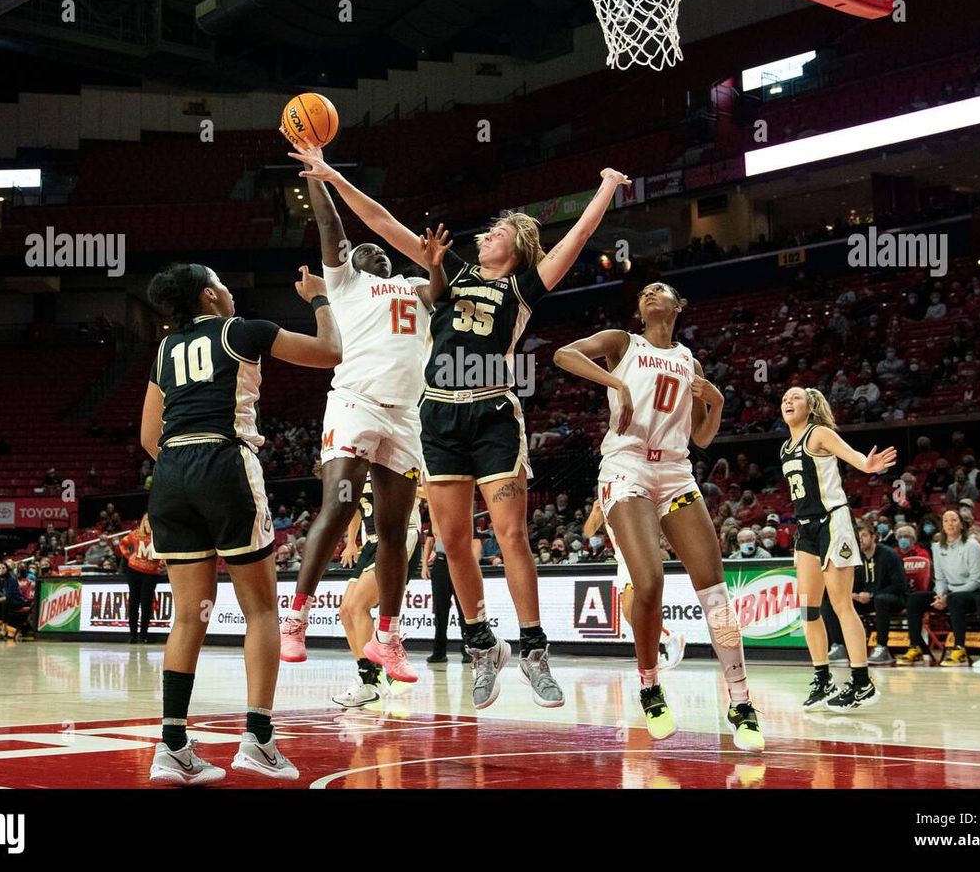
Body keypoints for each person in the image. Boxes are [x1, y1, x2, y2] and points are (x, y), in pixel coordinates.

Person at [293, 139, 629, 710]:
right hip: (438, 414)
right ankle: (481, 646)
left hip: (493, 410)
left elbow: (573, 242)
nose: (485, 236)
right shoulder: (446, 269)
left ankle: (533, 648)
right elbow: (381, 220)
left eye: (497, 234)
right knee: (452, 544)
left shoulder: (522, 286)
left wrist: (603, 188)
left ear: (518, 248)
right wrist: (329, 173)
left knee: (512, 535)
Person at [141, 261, 340, 785]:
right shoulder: (241, 329)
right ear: (210, 295)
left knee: (189, 616)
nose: (231, 290)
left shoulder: (164, 350)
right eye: (225, 283)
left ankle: (173, 745)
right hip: (223, 463)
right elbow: (330, 353)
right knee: (260, 611)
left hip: (171, 473)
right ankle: (257, 738)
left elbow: (148, 436)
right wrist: (320, 300)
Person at [555, 282, 763, 749]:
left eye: (660, 289)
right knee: (648, 583)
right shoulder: (621, 342)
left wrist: (719, 402)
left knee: (716, 593)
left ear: (678, 306)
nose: (650, 293)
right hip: (627, 466)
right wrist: (617, 383)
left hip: (675, 471)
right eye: (645, 291)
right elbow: (563, 355)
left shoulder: (691, 361)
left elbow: (702, 439)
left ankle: (741, 699)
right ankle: (649, 685)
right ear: (639, 309)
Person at [279, 141, 450, 691]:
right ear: (348, 265)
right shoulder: (347, 283)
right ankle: (298, 615)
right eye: (363, 250)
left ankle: (389, 635)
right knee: (339, 505)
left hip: (404, 416)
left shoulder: (413, 288)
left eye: (381, 250)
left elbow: (441, 297)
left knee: (396, 533)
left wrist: (437, 263)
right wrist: (316, 175)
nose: (373, 251)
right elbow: (333, 230)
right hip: (355, 401)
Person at [779, 386, 896, 712]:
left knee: (842, 603)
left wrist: (868, 465)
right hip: (805, 529)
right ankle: (823, 677)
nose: (789, 401)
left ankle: (862, 682)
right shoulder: (786, 447)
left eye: (796, 397)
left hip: (833, 522)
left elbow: (855, 458)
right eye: (785, 398)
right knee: (807, 609)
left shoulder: (819, 434)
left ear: (811, 405)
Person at [332, 480, 426, 707]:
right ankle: (369, 677)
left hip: (401, 536)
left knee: (358, 606)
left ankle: (370, 681)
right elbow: (354, 509)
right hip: (371, 543)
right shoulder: (351, 470)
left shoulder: (397, 456)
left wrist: (408, 490)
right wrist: (351, 542)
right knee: (345, 611)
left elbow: (430, 493)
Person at [583, 498, 686, 671]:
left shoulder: (634, 496)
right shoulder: (605, 502)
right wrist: (595, 511)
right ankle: (656, 652)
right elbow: (589, 532)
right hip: (622, 562)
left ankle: (669, 638)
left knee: (631, 610)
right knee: (629, 613)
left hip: (638, 556)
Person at [898, 509, 980, 667]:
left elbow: (976, 580)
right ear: (942, 525)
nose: (950, 524)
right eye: (946, 521)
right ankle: (916, 647)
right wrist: (939, 595)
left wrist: (947, 596)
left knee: (954, 598)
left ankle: (960, 650)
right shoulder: (937, 547)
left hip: (975, 593)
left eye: (954, 520)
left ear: (962, 525)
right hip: (949, 593)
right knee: (915, 599)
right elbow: (940, 578)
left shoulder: (972, 545)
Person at [823, 521, 907, 667]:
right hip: (866, 600)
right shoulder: (855, 558)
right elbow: (853, 585)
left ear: (874, 537)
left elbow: (899, 585)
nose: (860, 540)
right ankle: (839, 647)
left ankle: (882, 647)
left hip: (893, 599)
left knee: (881, 600)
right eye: (857, 536)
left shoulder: (889, 555)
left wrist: (872, 595)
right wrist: (851, 595)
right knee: (832, 601)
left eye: (864, 536)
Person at [424, 521, 473, 665]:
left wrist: (471, 565)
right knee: (440, 611)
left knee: (464, 610)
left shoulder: (465, 514)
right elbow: (429, 541)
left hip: (460, 561)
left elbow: (476, 543)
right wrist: (425, 564)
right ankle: (439, 653)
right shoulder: (437, 516)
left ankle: (468, 651)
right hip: (440, 563)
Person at [119, 514, 163, 644]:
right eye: (147, 521)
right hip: (134, 571)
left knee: (146, 603)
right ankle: (133, 635)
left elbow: (165, 553)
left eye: (151, 521)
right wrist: (129, 556)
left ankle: (143, 635)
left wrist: (161, 562)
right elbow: (122, 544)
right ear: (143, 522)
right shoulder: (136, 534)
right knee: (133, 602)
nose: (149, 524)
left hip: (151, 573)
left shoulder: (159, 536)